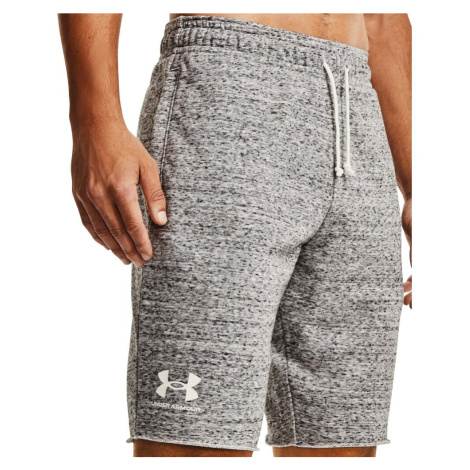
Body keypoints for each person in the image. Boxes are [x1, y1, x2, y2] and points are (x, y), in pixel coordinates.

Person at [59, 13, 412, 458]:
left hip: (359, 109)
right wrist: (94, 120)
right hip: (226, 88)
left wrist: (418, 188)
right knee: (197, 436)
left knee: (342, 439)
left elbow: (381, 16)